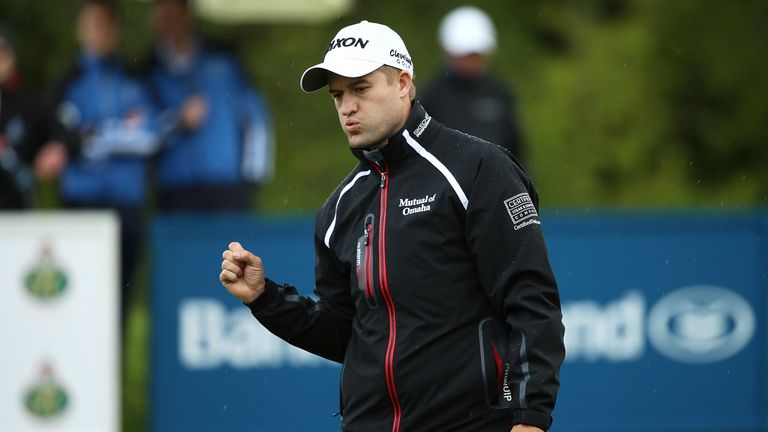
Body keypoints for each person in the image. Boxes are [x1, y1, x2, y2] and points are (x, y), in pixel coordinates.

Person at [220, 20, 564, 432]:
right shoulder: (337, 208)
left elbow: (532, 301)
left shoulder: (478, 168)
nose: (347, 106)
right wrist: (264, 298)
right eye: (338, 94)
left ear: (402, 82)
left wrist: (530, 417)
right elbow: (347, 334)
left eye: (360, 88)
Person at [54, 0, 159, 324]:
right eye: (93, 24)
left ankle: (113, 373)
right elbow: (66, 141)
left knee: (119, 302)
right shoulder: (67, 82)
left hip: (126, 203)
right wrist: (118, 130)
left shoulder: (136, 78)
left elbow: (150, 137)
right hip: (81, 201)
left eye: (106, 24)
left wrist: (96, 135)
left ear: (116, 30)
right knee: (78, 297)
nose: (100, 32)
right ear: (80, 30)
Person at [143, 0, 274, 211]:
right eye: (162, 19)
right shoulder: (149, 70)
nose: (167, 25)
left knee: (231, 244)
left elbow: (255, 119)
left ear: (187, 16)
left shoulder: (224, 58)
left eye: (172, 17)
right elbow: (142, 132)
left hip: (228, 186)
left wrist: (252, 178)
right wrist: (178, 121)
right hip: (175, 189)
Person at [421, 6, 526, 164]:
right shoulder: (431, 96)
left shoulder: (499, 92)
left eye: (475, 54)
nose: (471, 61)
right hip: (448, 184)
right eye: (465, 55)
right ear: (448, 51)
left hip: (497, 183)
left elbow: (516, 149)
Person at [0, 26, 69, 209]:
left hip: (17, 210)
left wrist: (55, 148)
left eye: (3, 51)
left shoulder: (30, 104)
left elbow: (62, 131)